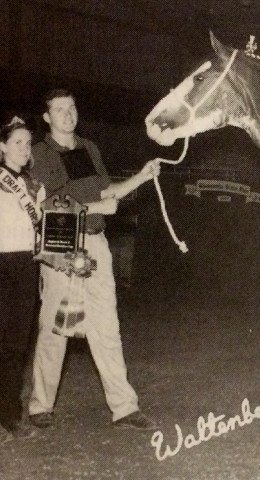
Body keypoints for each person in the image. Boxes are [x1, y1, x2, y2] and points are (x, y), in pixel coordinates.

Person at [28, 89, 160, 430]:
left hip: (97, 246)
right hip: (60, 248)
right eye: (59, 109)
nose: (68, 114)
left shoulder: (89, 148)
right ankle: (41, 405)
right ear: (47, 118)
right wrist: (95, 208)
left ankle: (124, 407)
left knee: (107, 326)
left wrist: (142, 177)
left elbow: (108, 194)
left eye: (72, 107)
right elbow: (51, 205)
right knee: (56, 327)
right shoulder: (38, 154)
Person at [0, 117, 43, 443]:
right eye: (17, 142)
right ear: (2, 147)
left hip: (26, 264)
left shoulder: (34, 185)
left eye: (28, 143)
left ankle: (9, 414)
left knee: (16, 344)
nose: (24, 148)